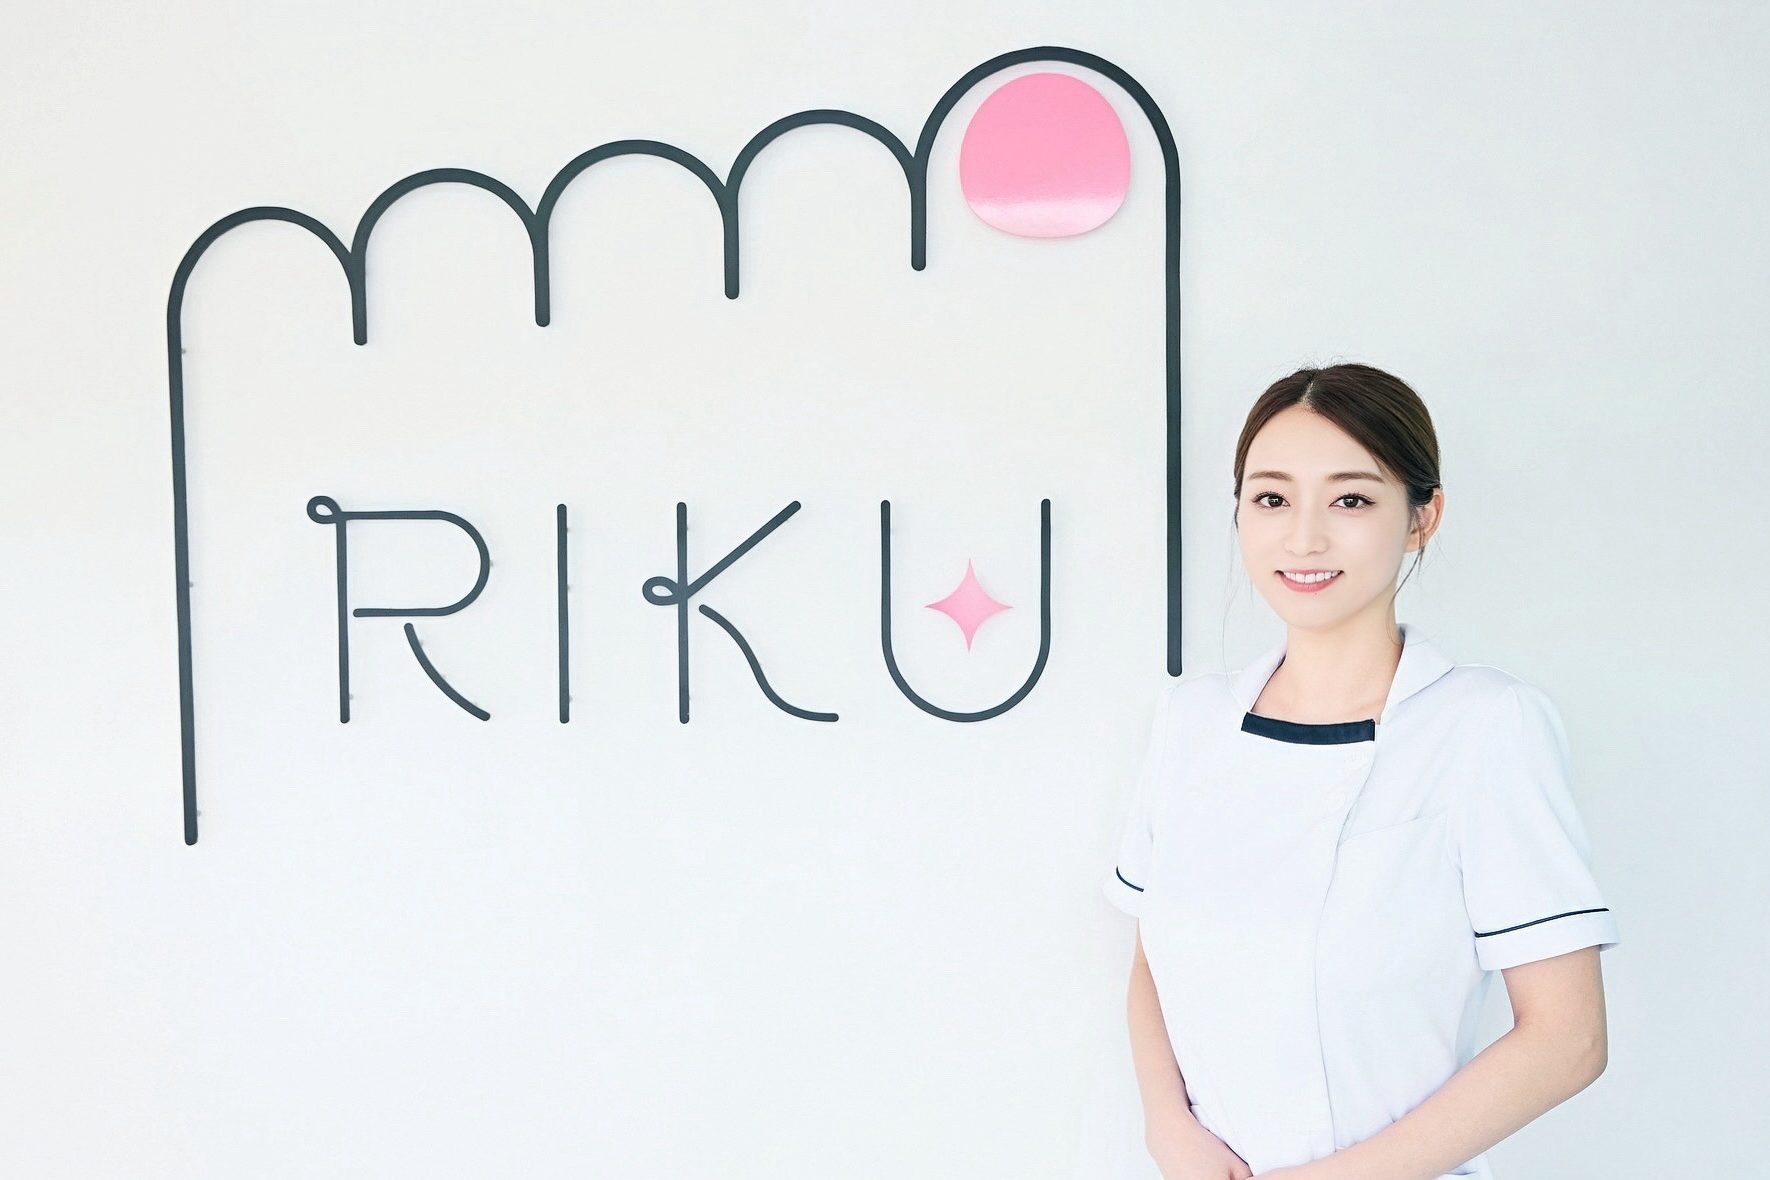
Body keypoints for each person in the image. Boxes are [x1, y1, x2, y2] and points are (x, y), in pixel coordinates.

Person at [1104, 364, 1620, 1180]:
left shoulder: (1484, 726)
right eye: (1271, 499)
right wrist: (1167, 1126)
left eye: (1350, 500)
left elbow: (1568, 1038)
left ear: (1422, 517)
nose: (1304, 538)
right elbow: (1152, 955)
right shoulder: (1190, 721)